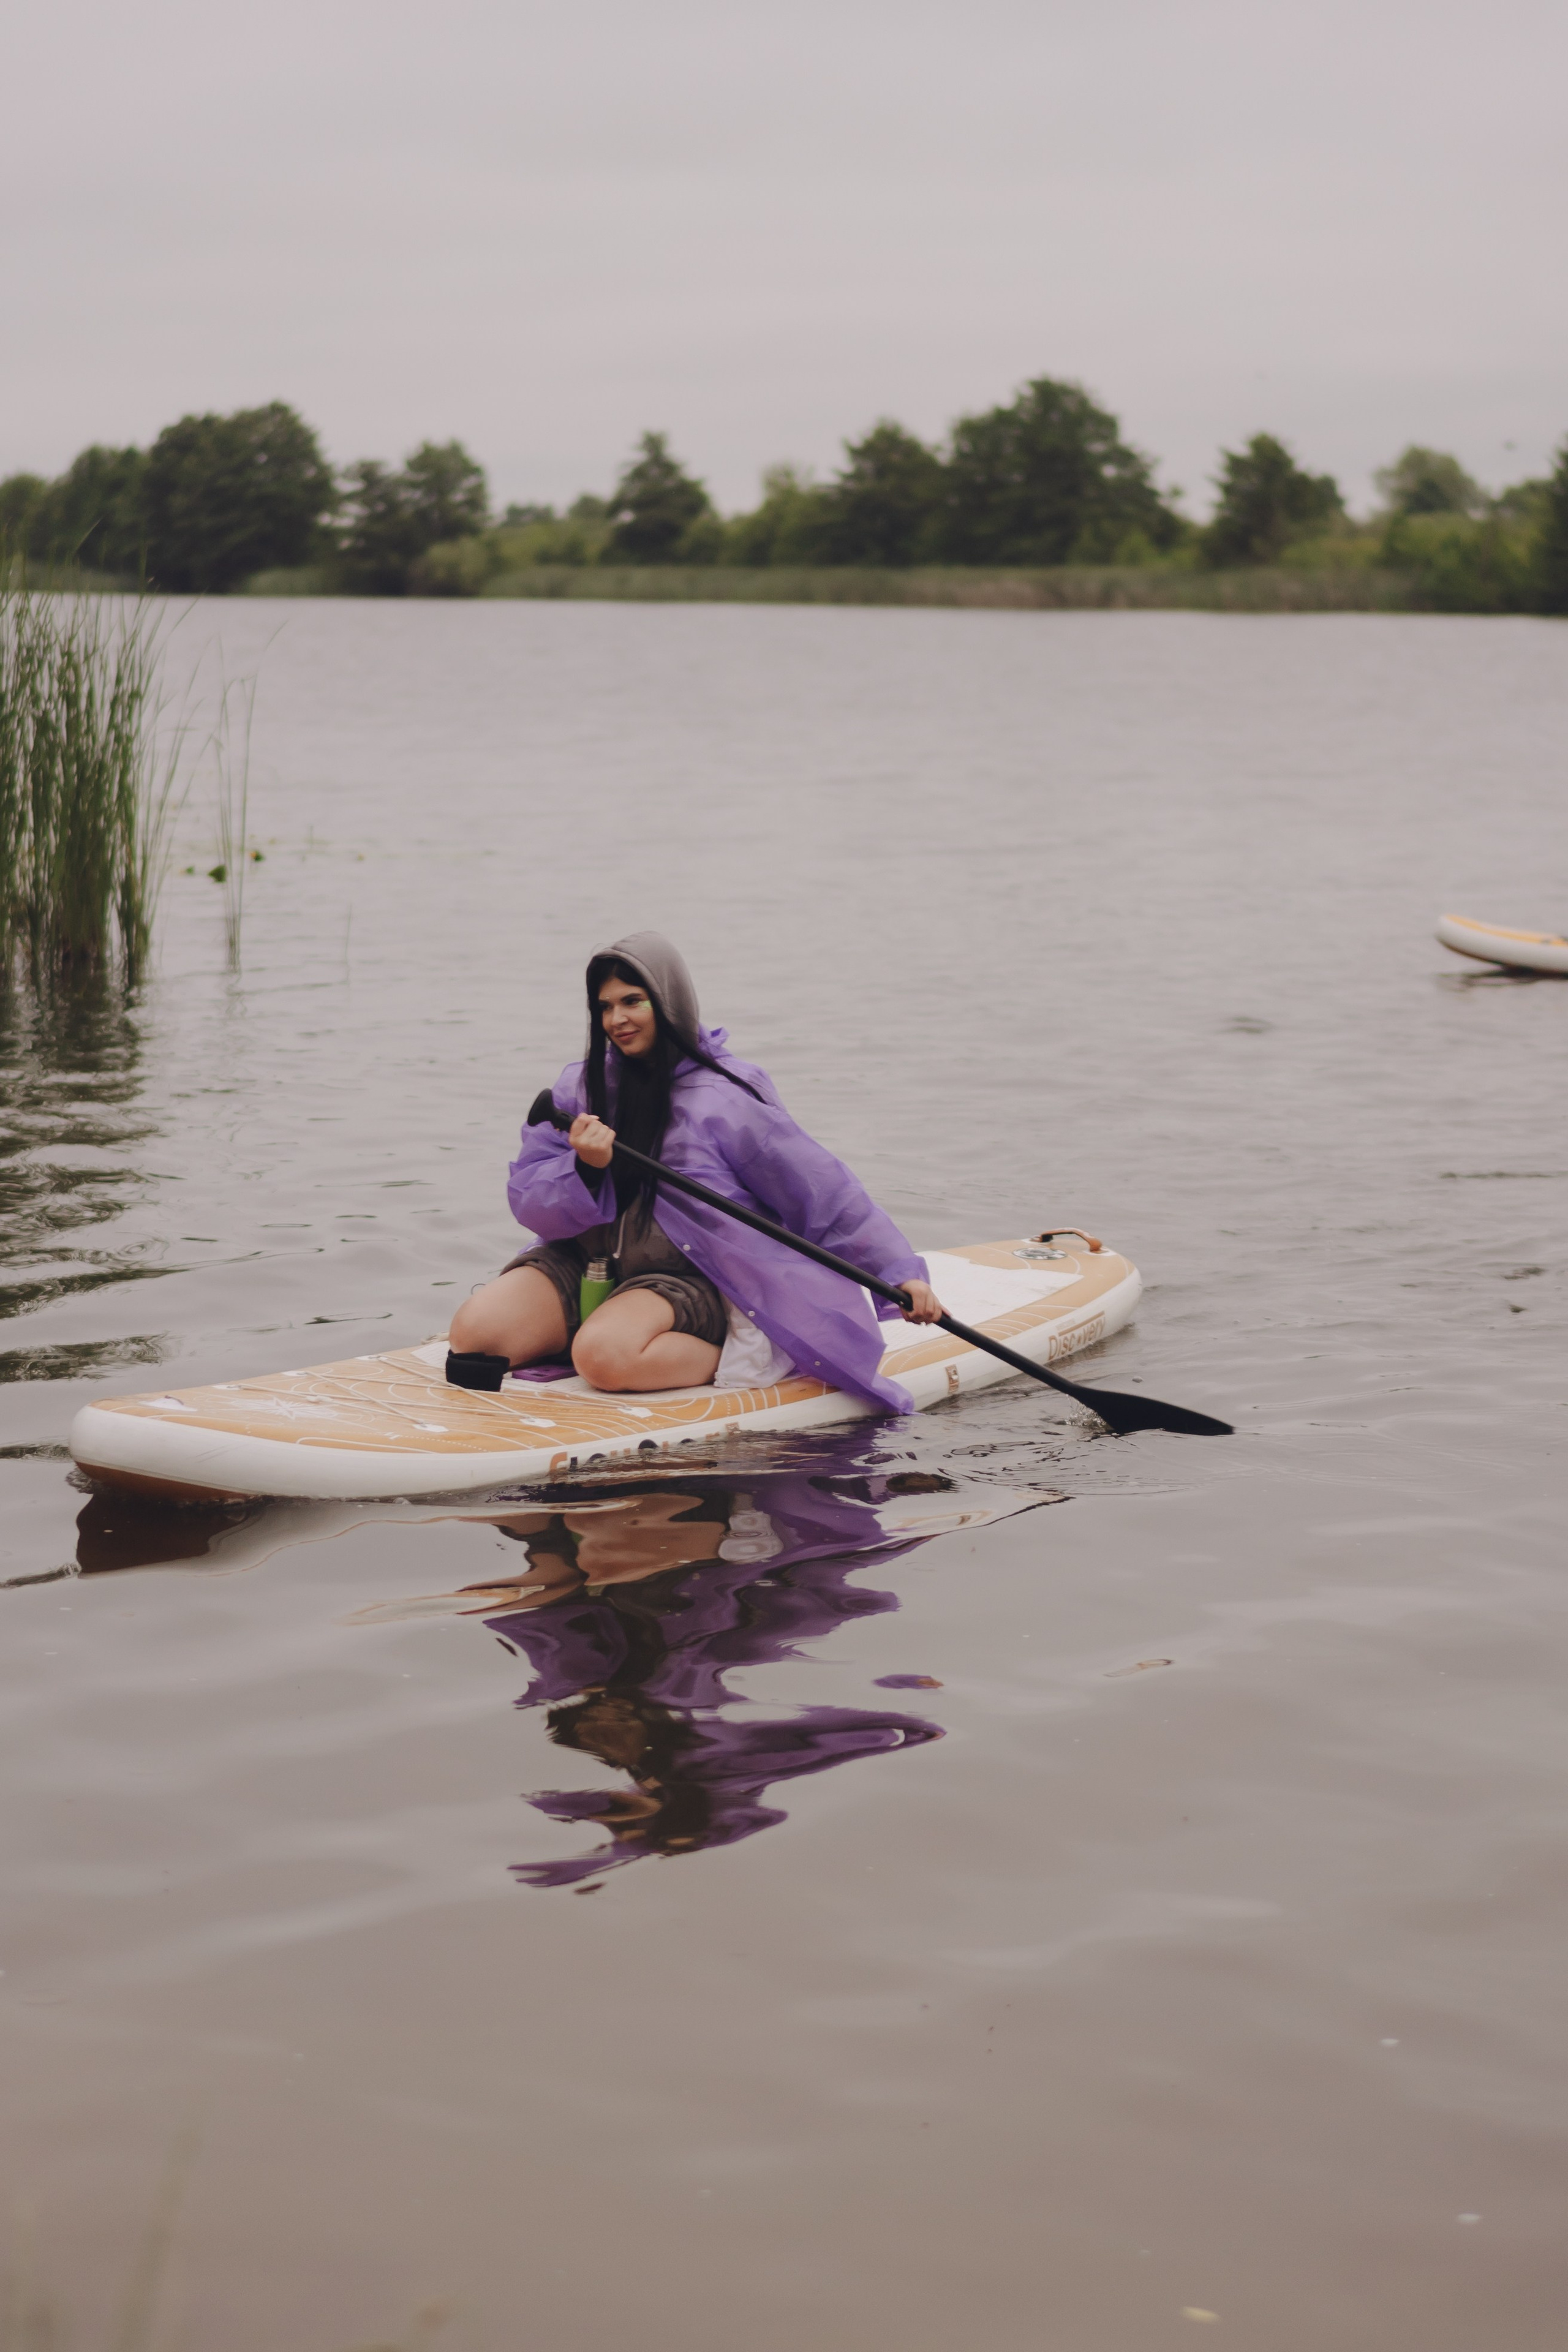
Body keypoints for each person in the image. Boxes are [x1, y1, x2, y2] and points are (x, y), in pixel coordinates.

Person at [446, 931, 942, 1403]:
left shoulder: (727, 1096)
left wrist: (898, 1272)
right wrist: (588, 1170)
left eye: (633, 1001)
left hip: (685, 1277)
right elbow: (529, 1204)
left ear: (669, 1002)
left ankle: (744, 1356)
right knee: (474, 1335)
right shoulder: (579, 1090)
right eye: (605, 1007)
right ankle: (599, 1334)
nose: (617, 1019)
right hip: (586, 1263)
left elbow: (821, 1193)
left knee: (602, 1357)